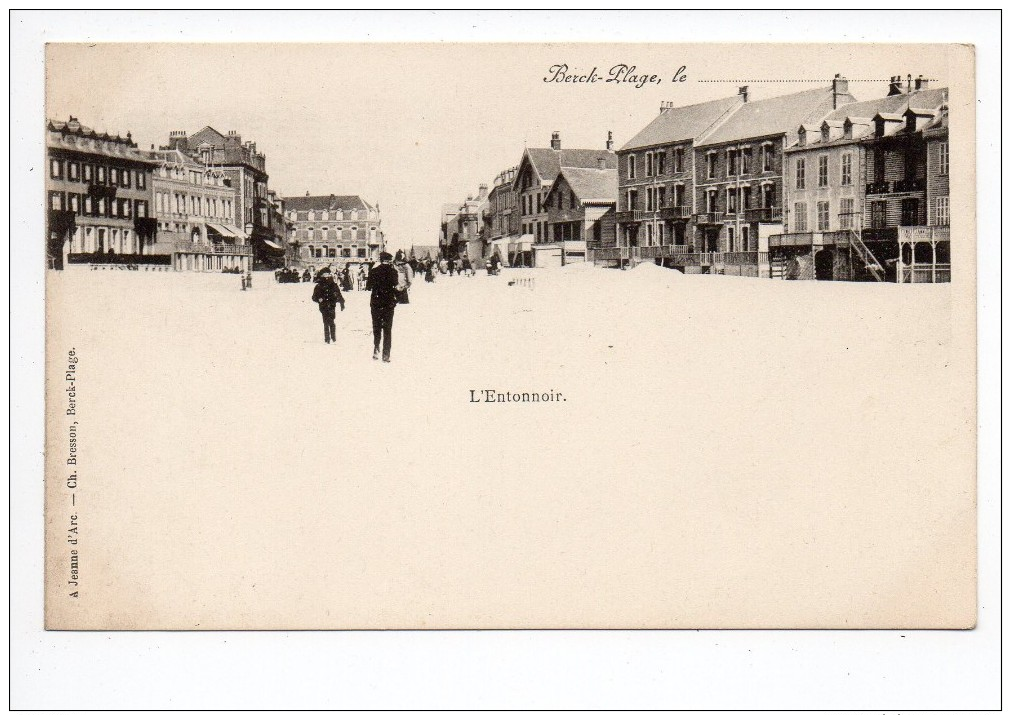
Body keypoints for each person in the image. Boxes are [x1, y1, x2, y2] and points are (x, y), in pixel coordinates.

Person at [366, 252, 400, 362]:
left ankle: (376, 349)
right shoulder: (393, 272)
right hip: (388, 303)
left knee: (376, 327)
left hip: (376, 302)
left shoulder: (374, 271)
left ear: (380, 260)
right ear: (389, 260)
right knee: (387, 329)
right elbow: (395, 284)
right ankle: (386, 355)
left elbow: (368, 286)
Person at [311, 266, 345, 344]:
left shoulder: (334, 285)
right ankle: (327, 339)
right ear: (322, 275)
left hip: (332, 305)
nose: (326, 276)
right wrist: (318, 299)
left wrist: (342, 303)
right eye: (324, 274)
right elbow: (314, 297)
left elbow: (339, 295)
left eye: (327, 274)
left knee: (332, 321)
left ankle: (333, 338)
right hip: (323, 306)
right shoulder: (318, 286)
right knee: (326, 322)